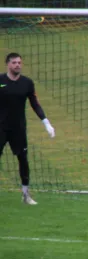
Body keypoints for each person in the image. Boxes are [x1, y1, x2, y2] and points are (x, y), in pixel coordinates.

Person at [0, 53, 55, 205]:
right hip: (1, 128)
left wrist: (46, 123)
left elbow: (35, 104)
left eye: (19, 62)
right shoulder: (1, 80)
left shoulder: (27, 83)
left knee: (23, 160)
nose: (17, 65)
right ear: (8, 64)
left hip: (18, 129)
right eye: (14, 62)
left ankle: (25, 195)